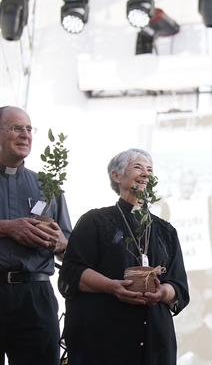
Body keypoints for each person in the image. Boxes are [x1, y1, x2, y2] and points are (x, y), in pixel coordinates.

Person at [58, 149, 190, 365]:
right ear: (116, 176)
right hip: (103, 339)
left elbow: (179, 286)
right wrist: (111, 286)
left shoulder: (165, 230)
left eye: (150, 169)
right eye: (138, 167)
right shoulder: (95, 221)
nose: (145, 173)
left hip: (154, 342)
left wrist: (161, 292)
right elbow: (72, 271)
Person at [0, 106, 71, 365]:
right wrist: (7, 228)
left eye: (29, 129)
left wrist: (59, 243)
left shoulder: (48, 187)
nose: (25, 135)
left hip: (35, 296)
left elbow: (68, 247)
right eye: (16, 128)